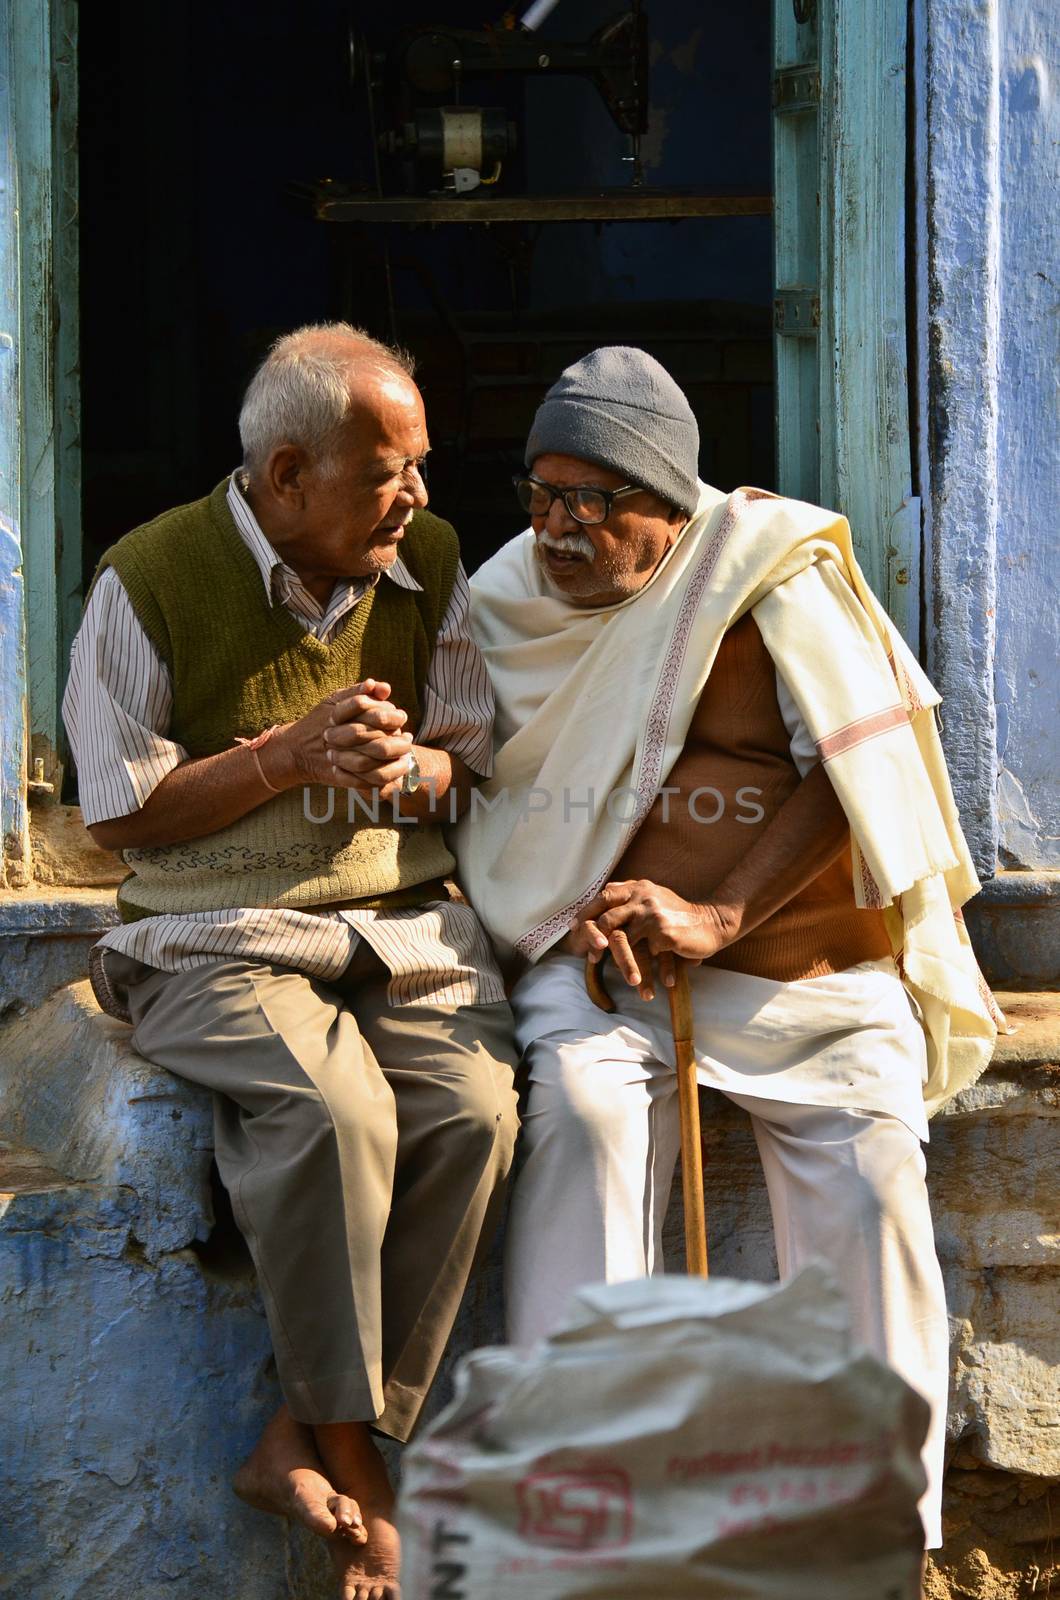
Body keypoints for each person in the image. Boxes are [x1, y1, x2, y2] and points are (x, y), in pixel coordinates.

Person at [454, 346, 1002, 1553]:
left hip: (809, 976)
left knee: (870, 1184)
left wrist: (720, 917)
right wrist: (573, 901)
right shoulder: (500, 598)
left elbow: (855, 774)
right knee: (585, 1124)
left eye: (593, 501)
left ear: (667, 503)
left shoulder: (764, 577)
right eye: (541, 495)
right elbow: (492, 797)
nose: (559, 527)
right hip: (613, 974)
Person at [63, 323, 520, 1600]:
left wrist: (409, 769)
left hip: (396, 925)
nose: (419, 497)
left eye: (420, 465)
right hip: (212, 932)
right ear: (284, 475)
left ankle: (309, 1436)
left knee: (477, 1110)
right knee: (331, 1110)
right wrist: (284, 756)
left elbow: (465, 759)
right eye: (390, 472)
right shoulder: (151, 577)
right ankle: (362, 1470)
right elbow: (113, 810)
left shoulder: (426, 562)